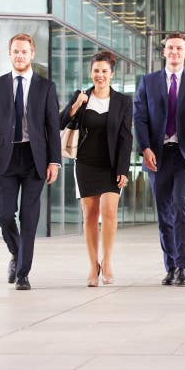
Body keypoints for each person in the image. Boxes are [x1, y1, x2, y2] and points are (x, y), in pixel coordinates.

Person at [0, 33, 61, 291]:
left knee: (29, 217)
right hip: (6, 159)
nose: (20, 55)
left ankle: (23, 273)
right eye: (15, 51)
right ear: (10, 54)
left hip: (35, 160)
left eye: (24, 51)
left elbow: (52, 128)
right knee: (5, 214)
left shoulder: (46, 87)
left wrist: (54, 160)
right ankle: (16, 251)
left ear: (32, 54)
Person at [133, 33, 185, 287]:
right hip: (158, 155)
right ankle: (171, 265)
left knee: (181, 205)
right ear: (164, 52)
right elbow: (140, 118)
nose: (174, 51)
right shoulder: (148, 81)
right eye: (170, 47)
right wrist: (145, 148)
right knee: (164, 212)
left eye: (179, 48)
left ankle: (183, 266)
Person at [60, 50, 133, 287]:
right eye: (95, 71)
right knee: (90, 216)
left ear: (111, 74)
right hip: (86, 163)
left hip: (111, 165)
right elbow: (59, 123)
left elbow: (125, 137)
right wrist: (75, 106)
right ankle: (93, 265)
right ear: (90, 73)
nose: (99, 75)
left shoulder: (123, 101)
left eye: (104, 71)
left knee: (109, 213)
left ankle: (108, 261)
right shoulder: (81, 96)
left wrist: (123, 168)